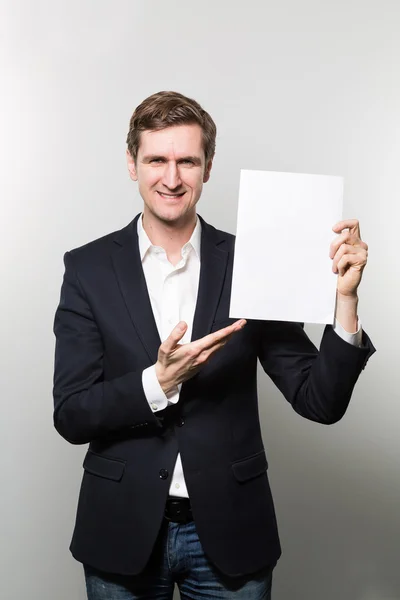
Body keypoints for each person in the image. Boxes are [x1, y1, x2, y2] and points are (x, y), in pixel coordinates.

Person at [53, 91, 375, 599]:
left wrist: (345, 300)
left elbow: (321, 402)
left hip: (229, 532)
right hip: (121, 528)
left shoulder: (250, 261)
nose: (172, 177)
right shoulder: (88, 269)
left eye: (188, 161)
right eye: (157, 159)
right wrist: (156, 384)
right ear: (132, 164)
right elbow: (70, 413)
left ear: (207, 167)